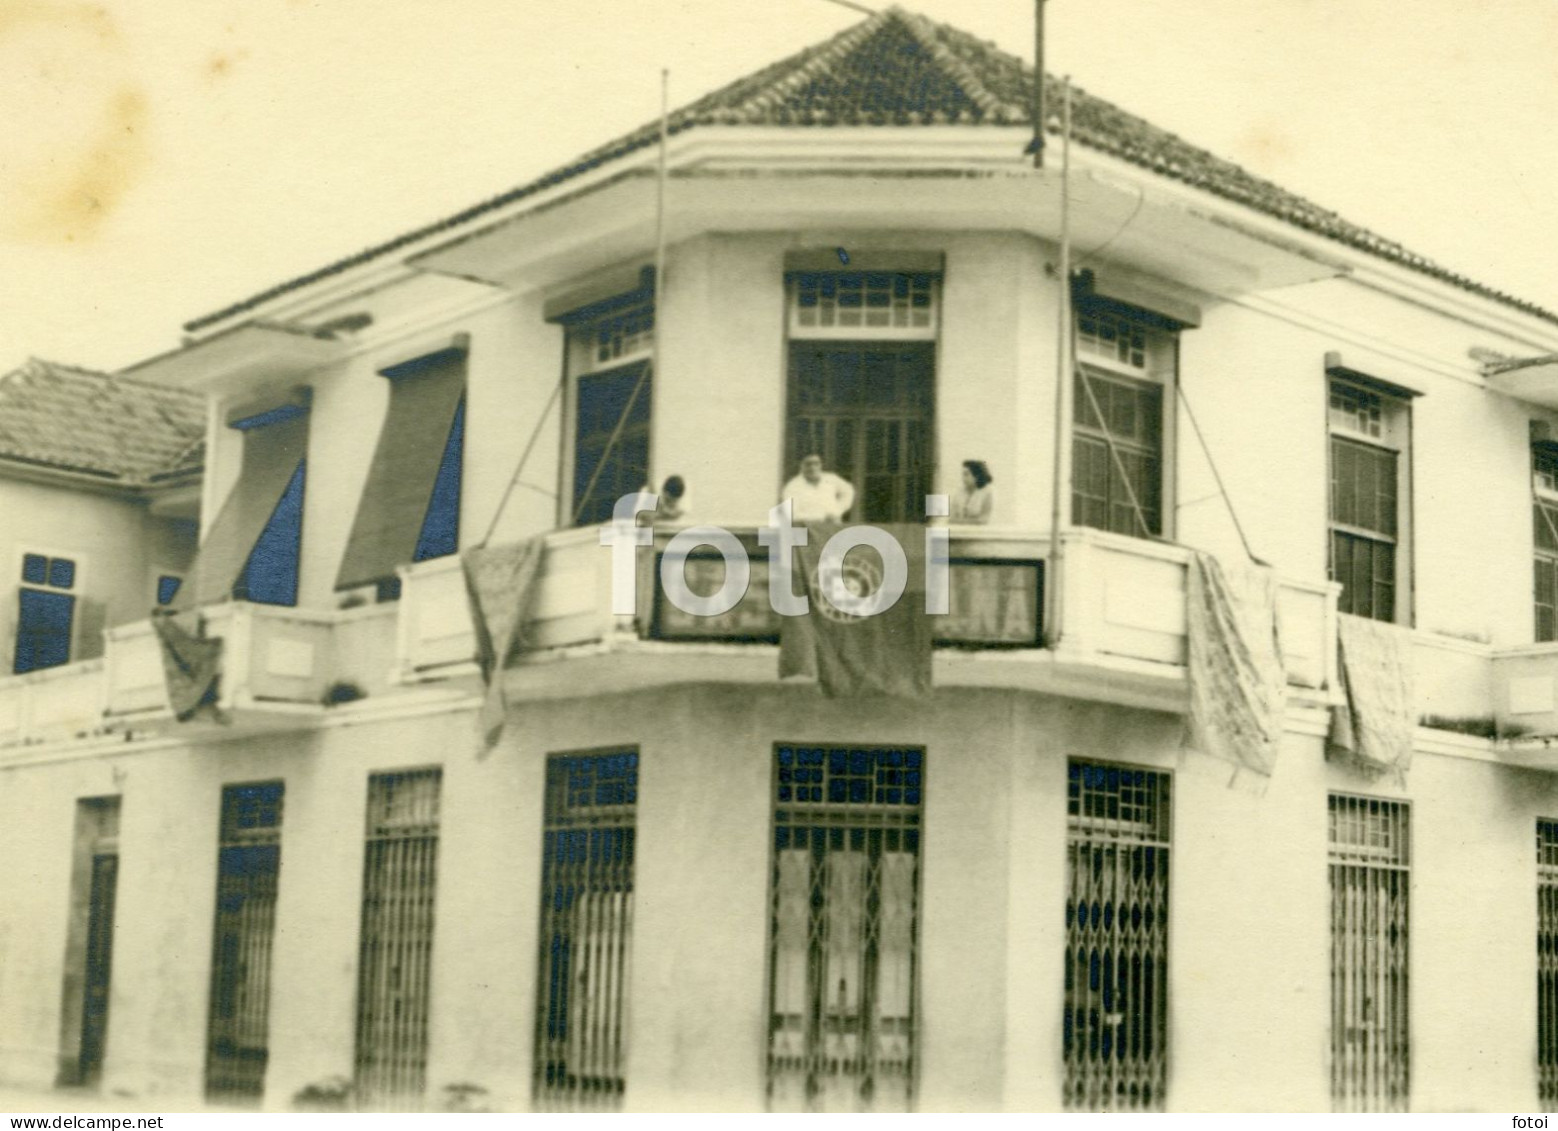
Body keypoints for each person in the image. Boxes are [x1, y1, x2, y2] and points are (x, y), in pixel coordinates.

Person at [780, 454, 854, 523]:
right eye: (808, 464)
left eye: (816, 464)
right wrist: (821, 517)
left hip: (832, 525)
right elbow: (792, 514)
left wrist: (837, 510)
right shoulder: (793, 486)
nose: (812, 468)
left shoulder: (831, 479)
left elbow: (848, 492)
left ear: (821, 465)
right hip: (807, 528)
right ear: (801, 465)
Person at [951, 459, 994, 524]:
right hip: (960, 531)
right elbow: (951, 518)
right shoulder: (959, 491)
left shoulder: (988, 492)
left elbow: (984, 520)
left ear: (977, 476)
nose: (963, 478)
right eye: (963, 474)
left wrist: (959, 521)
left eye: (966, 474)